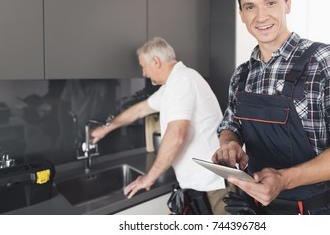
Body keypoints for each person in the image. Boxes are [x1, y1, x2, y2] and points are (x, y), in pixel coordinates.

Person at [212, 0, 330, 215]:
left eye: (270, 3)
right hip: (253, 207)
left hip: (310, 211)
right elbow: (231, 124)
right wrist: (229, 143)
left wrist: (284, 179)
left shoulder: (326, 60)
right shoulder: (242, 74)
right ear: (241, 14)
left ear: (287, 5)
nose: (261, 16)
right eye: (250, 7)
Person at [91, 37, 230, 214]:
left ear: (155, 61)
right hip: (200, 183)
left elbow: (177, 134)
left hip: (213, 184)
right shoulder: (172, 85)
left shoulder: (182, 81)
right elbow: (140, 110)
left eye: (143, 66)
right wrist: (106, 129)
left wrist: (149, 178)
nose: (144, 73)